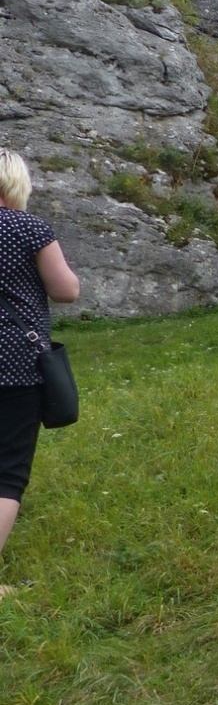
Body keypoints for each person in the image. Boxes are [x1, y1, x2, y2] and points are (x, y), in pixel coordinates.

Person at [0, 149, 81, 595]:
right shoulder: (27, 228)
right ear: (14, 184)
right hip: (14, 363)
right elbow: (67, 291)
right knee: (7, 471)